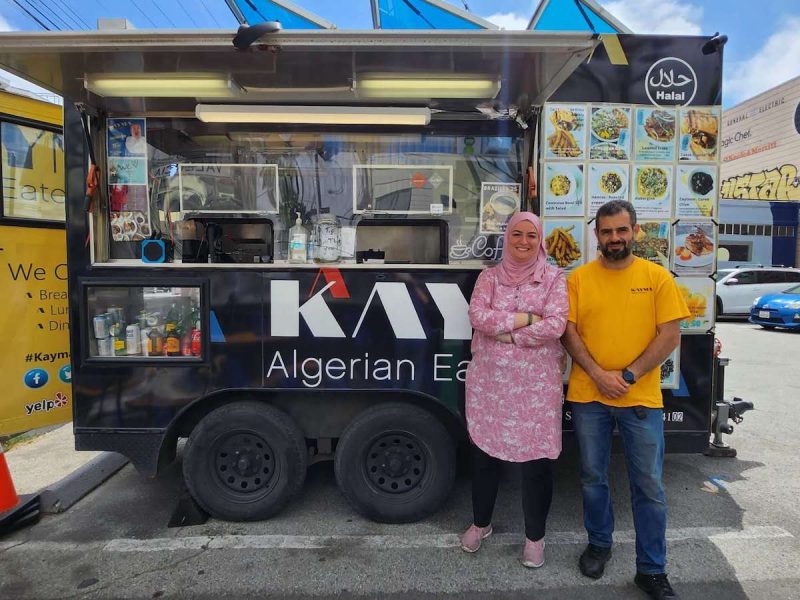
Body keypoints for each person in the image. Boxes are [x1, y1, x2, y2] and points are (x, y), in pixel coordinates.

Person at [561, 201, 690, 600]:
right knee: (592, 478)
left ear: (635, 231)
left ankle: (652, 569)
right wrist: (599, 375)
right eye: (606, 232)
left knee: (649, 485)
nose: (614, 238)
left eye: (621, 230)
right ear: (596, 235)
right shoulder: (578, 279)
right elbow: (568, 332)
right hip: (589, 395)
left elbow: (669, 336)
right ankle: (599, 545)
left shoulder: (657, 277)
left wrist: (629, 375)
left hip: (641, 399)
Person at [460, 211, 568, 569]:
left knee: (536, 464)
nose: (523, 242)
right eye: (517, 234)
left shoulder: (554, 278)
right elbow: (478, 317)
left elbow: (556, 325)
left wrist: (505, 334)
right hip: (490, 387)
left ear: (541, 241)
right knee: (484, 457)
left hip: (536, 390)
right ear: (507, 238)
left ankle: (535, 538)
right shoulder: (488, 277)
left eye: (531, 236)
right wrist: (526, 319)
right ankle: (481, 523)